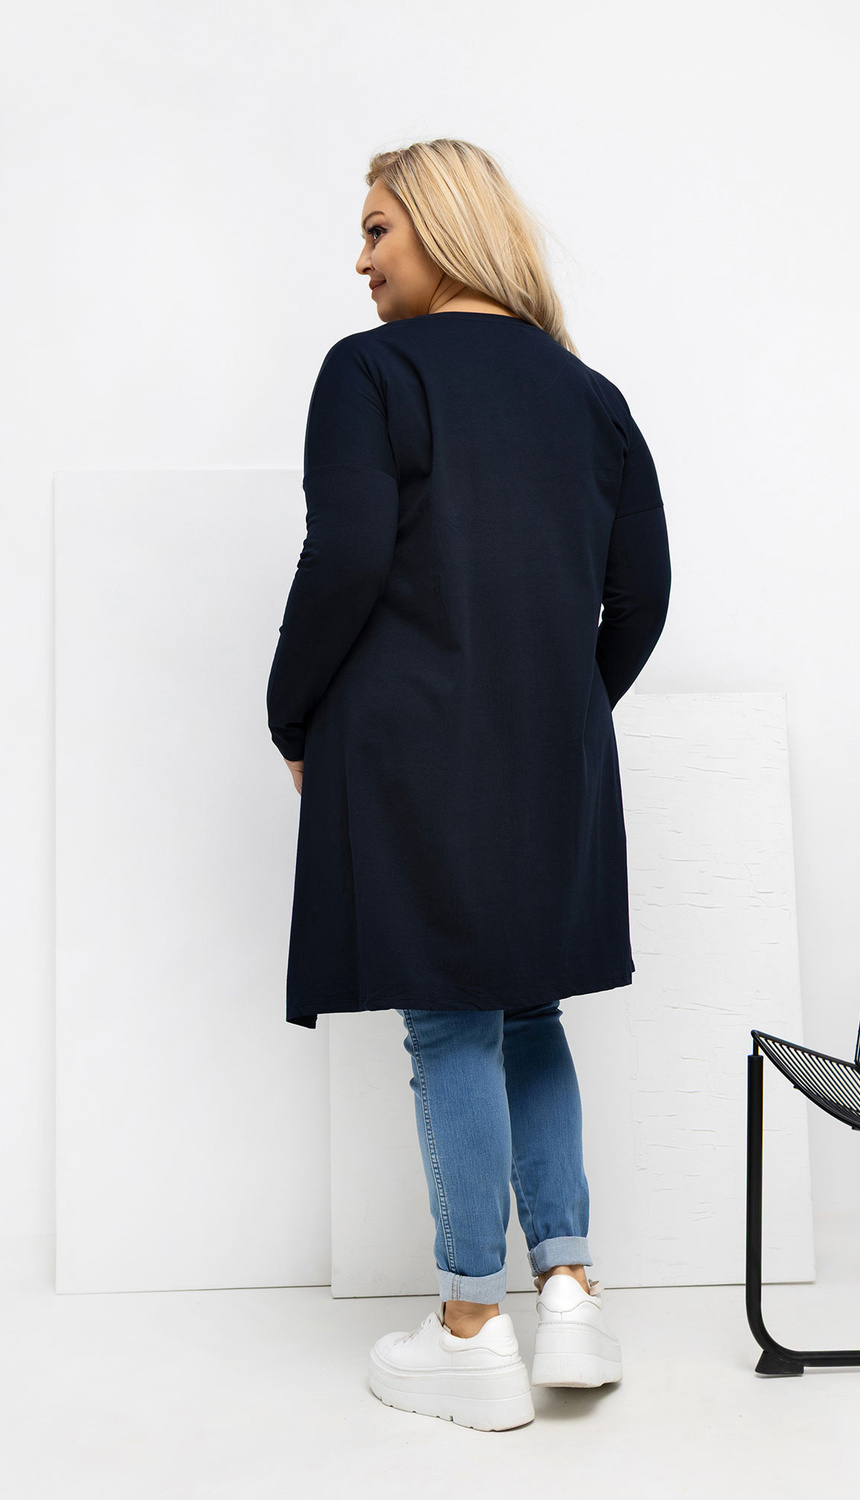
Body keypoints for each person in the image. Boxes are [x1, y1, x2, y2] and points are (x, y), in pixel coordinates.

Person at [266, 139, 671, 1430]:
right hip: (550, 749)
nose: (361, 260)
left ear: (441, 230)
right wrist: (562, 707)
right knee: (530, 1008)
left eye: (377, 229)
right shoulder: (590, 395)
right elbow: (644, 595)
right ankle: (570, 1293)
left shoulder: (371, 371)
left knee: (449, 1018)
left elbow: (346, 558)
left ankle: (470, 1327)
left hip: (409, 742)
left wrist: (289, 709)